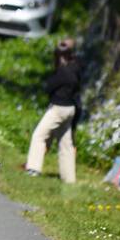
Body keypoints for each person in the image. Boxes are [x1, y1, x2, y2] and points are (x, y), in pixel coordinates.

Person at [24, 38, 80, 183]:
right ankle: (69, 178)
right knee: (65, 144)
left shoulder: (63, 72)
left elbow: (48, 87)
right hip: (71, 109)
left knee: (39, 136)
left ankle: (33, 168)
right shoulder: (76, 68)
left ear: (60, 56)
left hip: (58, 109)